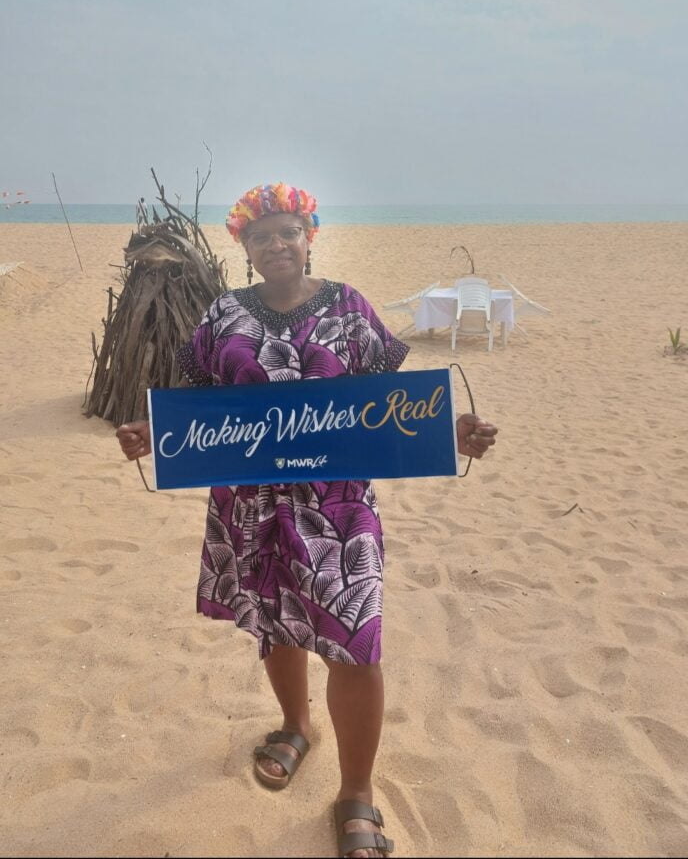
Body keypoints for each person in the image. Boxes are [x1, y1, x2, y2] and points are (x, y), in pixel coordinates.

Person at [116, 182, 498, 859]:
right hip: (250, 504)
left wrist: (450, 429)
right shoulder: (223, 316)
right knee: (275, 622)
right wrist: (152, 431)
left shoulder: (349, 308)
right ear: (245, 246)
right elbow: (196, 404)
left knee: (356, 638)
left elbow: (391, 399)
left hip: (338, 508)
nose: (277, 243)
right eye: (262, 235)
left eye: (288, 230)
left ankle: (356, 790)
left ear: (310, 235)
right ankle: (295, 725)